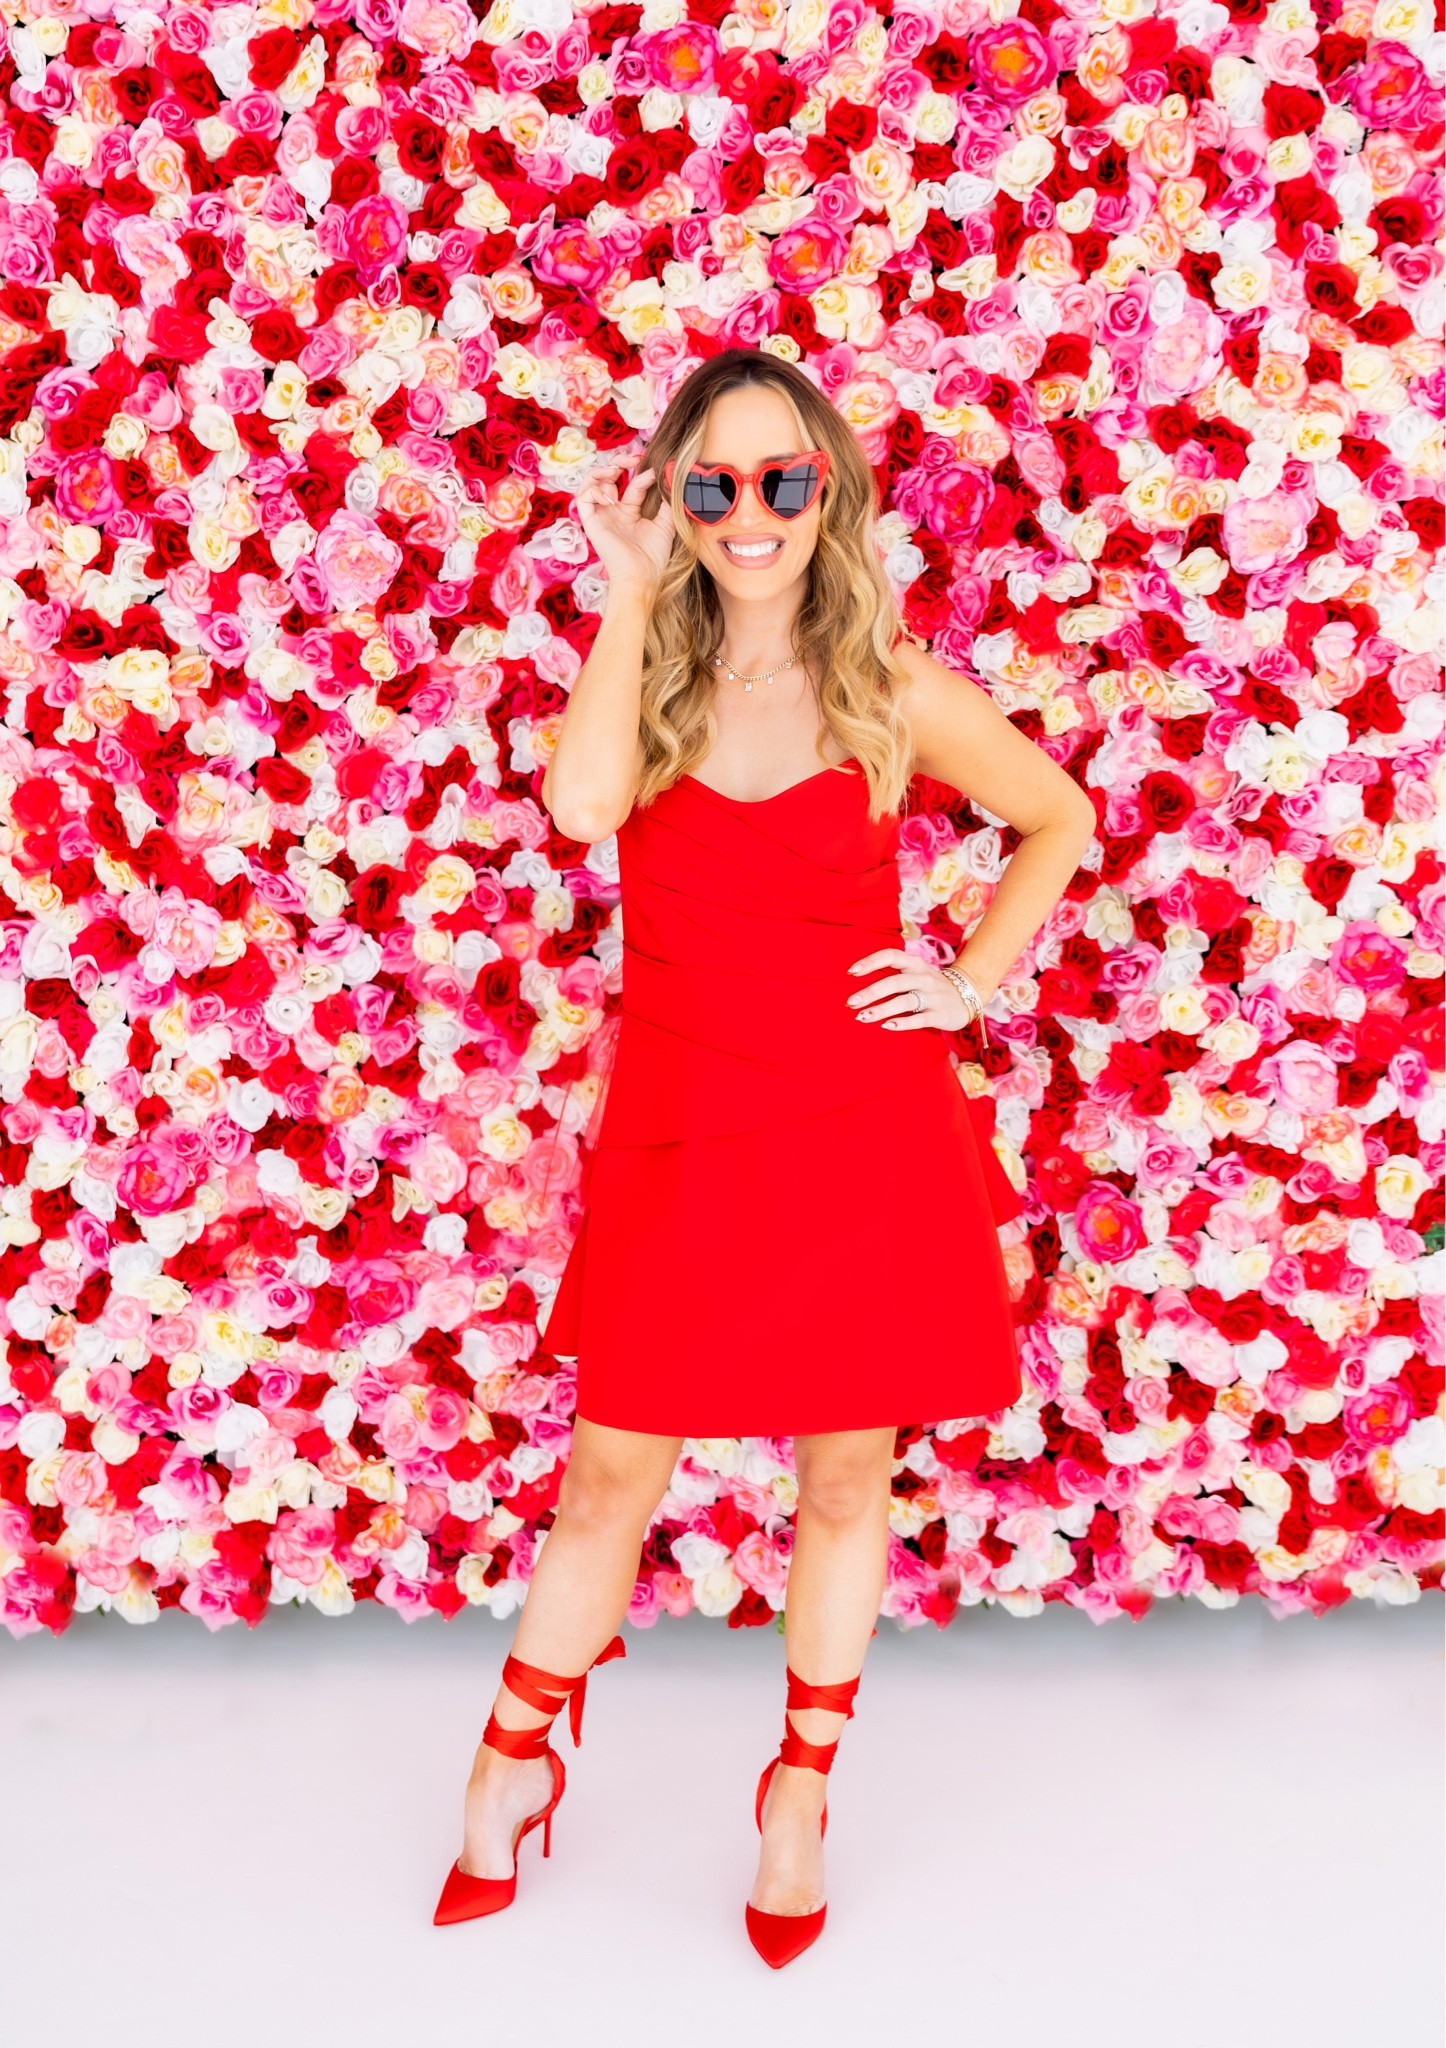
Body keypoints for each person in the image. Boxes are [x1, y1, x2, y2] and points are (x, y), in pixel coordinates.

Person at [433, 347, 1097, 1965]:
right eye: (714, 482)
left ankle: (797, 1789)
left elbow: (1056, 817)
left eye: (782, 481)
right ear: (674, 496)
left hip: (858, 1118)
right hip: (679, 1120)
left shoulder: (891, 685)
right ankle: (508, 1767)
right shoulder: (645, 678)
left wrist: (964, 983)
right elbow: (586, 809)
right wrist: (623, 588)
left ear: (829, 498)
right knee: (609, 1476)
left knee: (845, 1472)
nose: (750, 512)